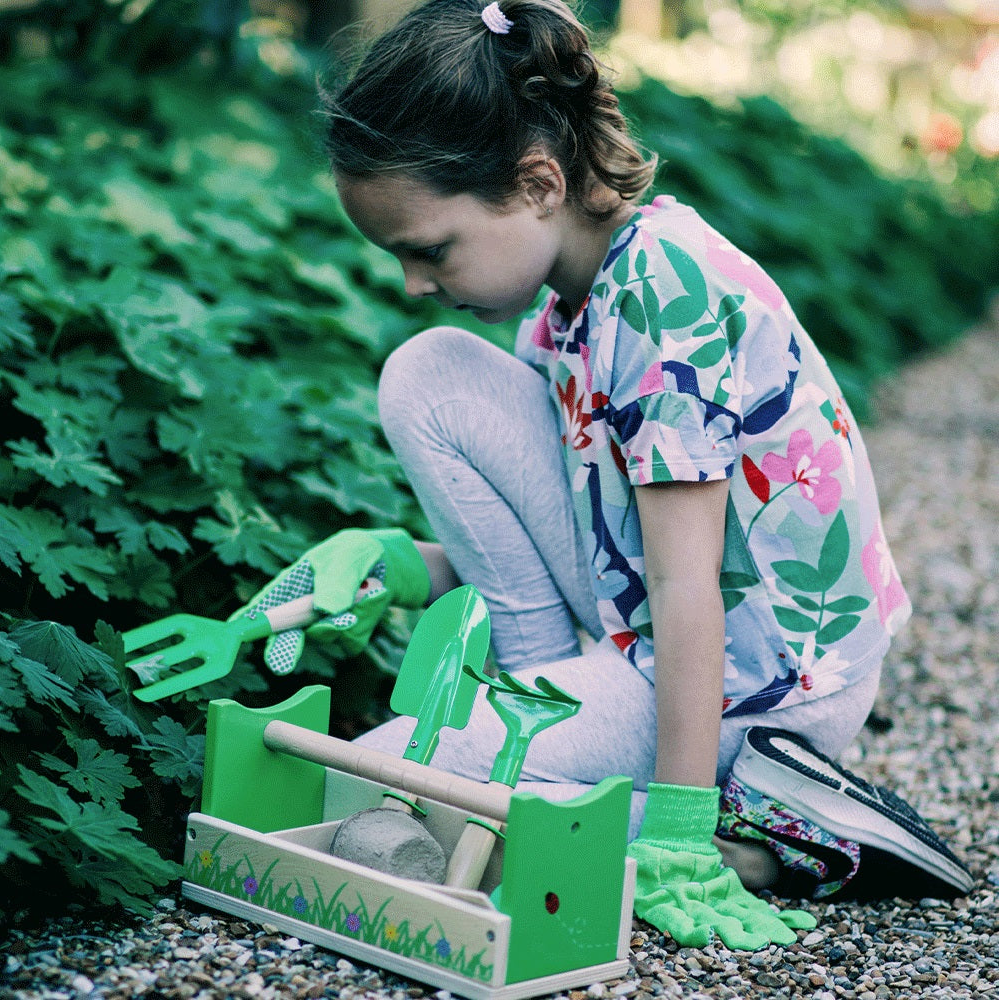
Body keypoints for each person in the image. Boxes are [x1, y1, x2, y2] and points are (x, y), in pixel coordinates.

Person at [240, 0, 973, 949]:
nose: (414, 285)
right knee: (428, 375)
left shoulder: (667, 298)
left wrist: (678, 836)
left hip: (764, 684)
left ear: (539, 182)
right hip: (658, 641)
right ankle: (558, 726)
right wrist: (393, 564)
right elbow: (590, 541)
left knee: (398, 786)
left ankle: (763, 829)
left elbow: (686, 585)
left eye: (428, 249)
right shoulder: (563, 312)